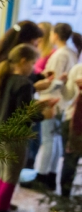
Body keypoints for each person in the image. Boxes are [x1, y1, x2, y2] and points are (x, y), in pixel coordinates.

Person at [0, 44, 57, 212]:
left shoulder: (7, 77)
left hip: (1, 130)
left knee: (2, 177)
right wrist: (45, 114)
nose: (34, 68)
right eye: (33, 63)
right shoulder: (24, 83)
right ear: (23, 61)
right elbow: (24, 115)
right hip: (15, 136)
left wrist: (39, 104)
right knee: (10, 179)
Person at [0, 21, 50, 203]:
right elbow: (23, 110)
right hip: (10, 128)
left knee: (2, 172)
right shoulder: (19, 80)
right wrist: (42, 111)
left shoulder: (11, 70)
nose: (36, 46)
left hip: (1, 123)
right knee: (5, 173)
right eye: (35, 43)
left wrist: (36, 81)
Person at [28, 23, 82, 191]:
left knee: (48, 140)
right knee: (55, 140)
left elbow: (52, 82)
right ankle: (50, 174)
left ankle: (42, 176)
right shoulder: (72, 53)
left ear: (55, 35)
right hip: (63, 102)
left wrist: (47, 82)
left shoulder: (60, 55)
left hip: (52, 100)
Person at [60, 63, 82, 198]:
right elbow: (68, 96)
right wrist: (62, 84)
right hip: (73, 120)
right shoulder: (78, 68)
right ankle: (64, 197)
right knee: (70, 161)